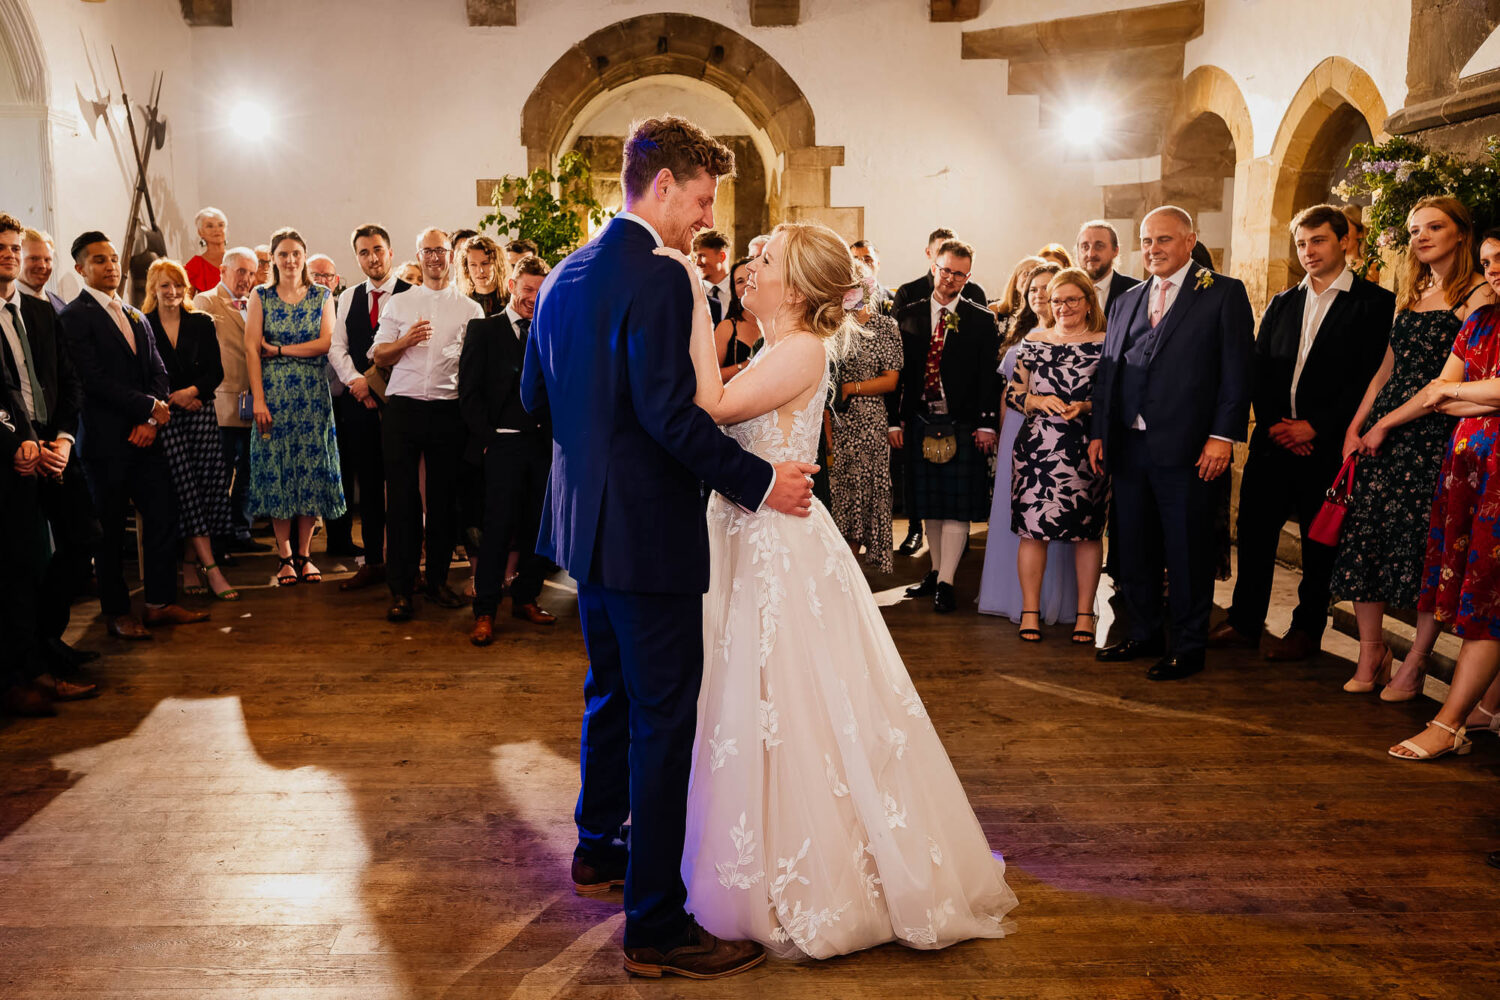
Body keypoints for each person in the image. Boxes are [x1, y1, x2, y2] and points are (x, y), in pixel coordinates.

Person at [659, 220, 1018, 958]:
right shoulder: (776, 346)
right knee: (755, 700)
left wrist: (695, 305)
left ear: (793, 287)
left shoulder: (798, 349)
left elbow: (713, 409)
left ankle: (822, 873)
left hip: (776, 548)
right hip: (750, 531)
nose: (747, 269)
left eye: (762, 260)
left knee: (793, 699)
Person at [521, 114, 817, 980]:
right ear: (660, 187)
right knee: (662, 720)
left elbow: (536, 395)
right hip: (647, 533)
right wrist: (760, 483)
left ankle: (597, 849)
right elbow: (669, 414)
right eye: (698, 198)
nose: (700, 218)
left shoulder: (568, 273)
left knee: (608, 692)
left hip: (584, 527)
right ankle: (654, 925)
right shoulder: (656, 275)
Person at [1208, 205, 1394, 661]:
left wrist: (1316, 425)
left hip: (1328, 445)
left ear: (1344, 241)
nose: (1308, 252)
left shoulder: (1374, 305)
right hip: (1275, 442)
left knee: (1318, 543)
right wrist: (1275, 424)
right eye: (1302, 244)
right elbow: (1260, 368)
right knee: (1253, 533)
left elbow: (1369, 378)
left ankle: (1307, 629)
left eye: (1318, 241)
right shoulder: (1282, 302)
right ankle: (1246, 621)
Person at [1331, 196, 1495, 698]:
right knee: (1366, 541)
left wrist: (1388, 425)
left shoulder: (1479, 295)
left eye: (1434, 227)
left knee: (1426, 552)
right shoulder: (1414, 289)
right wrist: (1357, 425)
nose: (1421, 237)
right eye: (1414, 229)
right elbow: (1387, 369)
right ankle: (1371, 652)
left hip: (1434, 434)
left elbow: (1451, 384)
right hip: (1386, 430)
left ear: (1461, 233)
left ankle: (1416, 662)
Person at [1088, 206, 1254, 681]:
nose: (1153, 249)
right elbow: (1109, 374)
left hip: (1190, 449)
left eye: (1163, 240)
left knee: (1186, 549)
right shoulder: (1126, 300)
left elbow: (1237, 373)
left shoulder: (1223, 293)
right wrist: (1100, 431)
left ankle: (1187, 644)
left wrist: (1222, 437)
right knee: (1133, 546)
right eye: (1146, 241)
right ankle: (1142, 633)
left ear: (1189, 240)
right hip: (1130, 447)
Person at [58, 231, 208, 638]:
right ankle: (117, 612)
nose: (110, 266)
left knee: (163, 515)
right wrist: (146, 408)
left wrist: (152, 419)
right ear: (80, 269)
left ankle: (159, 603)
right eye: (99, 261)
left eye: (112, 259)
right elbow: (92, 379)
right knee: (107, 531)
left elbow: (159, 371)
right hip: (106, 443)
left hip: (147, 438)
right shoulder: (74, 317)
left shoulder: (135, 314)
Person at [1390, 229, 1500, 760]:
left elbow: (1452, 389)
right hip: (1470, 471)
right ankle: (1486, 710)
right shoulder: (1480, 320)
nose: (1494, 268)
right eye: (1487, 260)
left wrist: (1461, 391)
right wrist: (1469, 395)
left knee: (1489, 598)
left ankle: (1450, 721)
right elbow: (1438, 394)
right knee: (1479, 590)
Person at [0, 213, 95, 698]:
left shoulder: (39, 313)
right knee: (18, 563)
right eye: (5, 248)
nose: (12, 255)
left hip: (55, 446)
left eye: (16, 247)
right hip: (12, 450)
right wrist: (18, 441)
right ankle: (27, 668)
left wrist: (62, 438)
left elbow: (69, 382)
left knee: (83, 540)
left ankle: (45, 638)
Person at [371, 227, 482, 622]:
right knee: (402, 502)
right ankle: (401, 589)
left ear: (452, 255)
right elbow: (378, 355)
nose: (435, 257)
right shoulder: (400, 303)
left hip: (447, 411)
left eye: (441, 250)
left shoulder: (471, 309)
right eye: (427, 251)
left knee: (442, 503)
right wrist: (405, 342)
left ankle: (436, 582)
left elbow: (475, 370)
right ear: (418, 256)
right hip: (403, 410)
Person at [892, 239, 1002, 613]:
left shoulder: (982, 319)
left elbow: (990, 377)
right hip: (920, 418)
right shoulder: (908, 314)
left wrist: (988, 424)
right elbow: (897, 374)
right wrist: (894, 420)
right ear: (933, 267)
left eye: (959, 274)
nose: (950, 279)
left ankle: (947, 582)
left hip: (962, 421)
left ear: (967, 277)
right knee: (931, 505)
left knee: (955, 508)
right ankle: (937, 572)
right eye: (945, 270)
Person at [1006, 267, 1110, 643]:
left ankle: (1085, 614)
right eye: (1056, 300)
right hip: (1036, 449)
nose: (1063, 307)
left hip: (1084, 450)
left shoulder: (1104, 342)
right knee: (1033, 532)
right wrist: (1034, 399)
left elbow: (1112, 398)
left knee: (1086, 532)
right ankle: (1029, 611)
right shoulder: (1033, 340)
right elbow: (1012, 393)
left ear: (1087, 302)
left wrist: (1084, 407)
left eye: (1071, 300)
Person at [460, 254, 556, 645]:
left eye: (540, 290)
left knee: (538, 528)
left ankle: (526, 598)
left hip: (543, 445)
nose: (533, 297)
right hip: (501, 443)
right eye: (527, 288)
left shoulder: (552, 331)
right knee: (497, 530)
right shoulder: (483, 330)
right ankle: (485, 611)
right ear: (513, 284)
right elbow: (468, 393)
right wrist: (487, 440)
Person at [245, 227, 346, 587]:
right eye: (283, 254)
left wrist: (282, 350)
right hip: (272, 396)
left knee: (309, 474)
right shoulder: (261, 295)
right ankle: (284, 555)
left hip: (312, 397)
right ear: (273, 258)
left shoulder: (321, 295)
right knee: (278, 474)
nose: (290, 260)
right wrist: (258, 398)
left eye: (296, 254)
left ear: (304, 257)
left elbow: (326, 344)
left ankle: (305, 554)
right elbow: (251, 349)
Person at [979, 260, 1077, 623]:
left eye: (1046, 288)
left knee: (1054, 518)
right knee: (1011, 516)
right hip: (1016, 433)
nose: (1038, 294)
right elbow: (1008, 395)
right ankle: (1009, 596)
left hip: (1056, 433)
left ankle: (1052, 601)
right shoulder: (1021, 337)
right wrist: (1006, 443)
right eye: (1033, 288)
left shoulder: (1073, 336)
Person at [143, 258, 237, 601]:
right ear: (153, 289)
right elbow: (144, 376)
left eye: (177, 285)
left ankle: (188, 563)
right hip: (165, 416)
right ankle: (211, 569)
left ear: (187, 287)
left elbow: (215, 371)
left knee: (209, 487)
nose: (172, 292)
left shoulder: (200, 321)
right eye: (165, 285)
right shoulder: (144, 324)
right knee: (183, 490)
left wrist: (193, 393)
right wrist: (176, 398)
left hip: (200, 413)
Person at [330, 224, 411, 592]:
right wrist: (356, 382)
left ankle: (406, 565)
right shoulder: (347, 298)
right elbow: (337, 348)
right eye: (364, 252)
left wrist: (375, 384)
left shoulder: (414, 294)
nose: (372, 258)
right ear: (357, 257)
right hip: (359, 406)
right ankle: (374, 562)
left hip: (403, 405)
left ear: (390, 252)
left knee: (403, 487)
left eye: (378, 249)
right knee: (370, 488)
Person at [193, 247, 267, 561]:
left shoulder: (258, 302)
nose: (246, 279)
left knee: (250, 473)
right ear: (223, 270)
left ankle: (241, 530)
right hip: (223, 401)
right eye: (241, 272)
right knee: (219, 474)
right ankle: (217, 539)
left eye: (251, 273)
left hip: (254, 401)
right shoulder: (205, 301)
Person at [829, 271, 903, 572]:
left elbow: (891, 380)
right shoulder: (832, 328)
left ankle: (855, 565)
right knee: (839, 491)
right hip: (835, 420)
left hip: (870, 420)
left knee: (867, 488)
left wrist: (852, 388)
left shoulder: (886, 326)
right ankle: (839, 563)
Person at [890, 227, 988, 316]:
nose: (948, 256)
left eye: (953, 250)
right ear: (928, 253)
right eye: (941, 251)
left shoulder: (976, 292)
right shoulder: (907, 293)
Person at [711, 257, 759, 382]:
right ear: (736, 293)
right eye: (739, 281)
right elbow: (710, 377)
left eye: (750, 277)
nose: (746, 284)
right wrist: (744, 365)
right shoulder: (727, 327)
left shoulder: (778, 322)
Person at [1075, 220, 1139, 315]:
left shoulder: (1136, 291)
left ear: (1115, 251)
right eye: (1085, 247)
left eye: (1099, 246)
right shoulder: (1065, 291)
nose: (1091, 254)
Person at [991, 254, 1046, 336]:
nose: (1030, 278)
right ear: (1016, 279)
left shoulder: (1045, 314)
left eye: (1036, 275)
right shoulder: (994, 309)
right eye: (1027, 273)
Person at [18, 228, 68, 312]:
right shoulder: (9, 306)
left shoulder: (62, 305)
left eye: (47, 260)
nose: (42, 266)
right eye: (34, 258)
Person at [460, 234, 508, 316]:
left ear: (497, 264)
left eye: (485, 263)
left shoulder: (512, 302)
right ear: (466, 267)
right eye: (473, 265)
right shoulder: (461, 303)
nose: (480, 271)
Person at [185, 207, 229, 295]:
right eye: (210, 226)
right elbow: (187, 301)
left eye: (221, 225)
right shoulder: (195, 265)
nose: (217, 230)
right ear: (200, 232)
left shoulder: (239, 258)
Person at [692, 229, 732, 325]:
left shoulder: (743, 291)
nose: (697, 263)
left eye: (702, 256)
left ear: (722, 256)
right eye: (695, 257)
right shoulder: (692, 292)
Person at [849, 239, 893, 309]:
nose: (861, 264)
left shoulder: (892, 298)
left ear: (878, 265)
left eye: (867, 260)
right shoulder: (840, 299)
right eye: (855, 260)